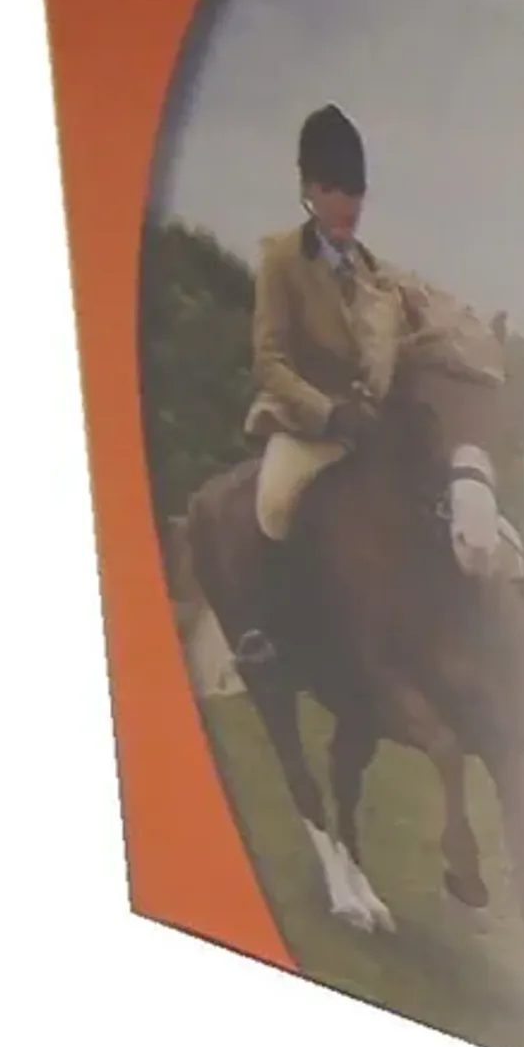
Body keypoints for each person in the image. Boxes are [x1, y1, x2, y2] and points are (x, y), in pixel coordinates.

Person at [235, 105, 405, 670]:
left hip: (366, 423)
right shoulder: (282, 259)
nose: (347, 205)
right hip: (305, 423)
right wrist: (328, 413)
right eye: (334, 190)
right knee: (274, 500)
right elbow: (269, 360)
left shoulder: (373, 271)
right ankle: (267, 630)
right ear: (309, 190)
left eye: (355, 192)